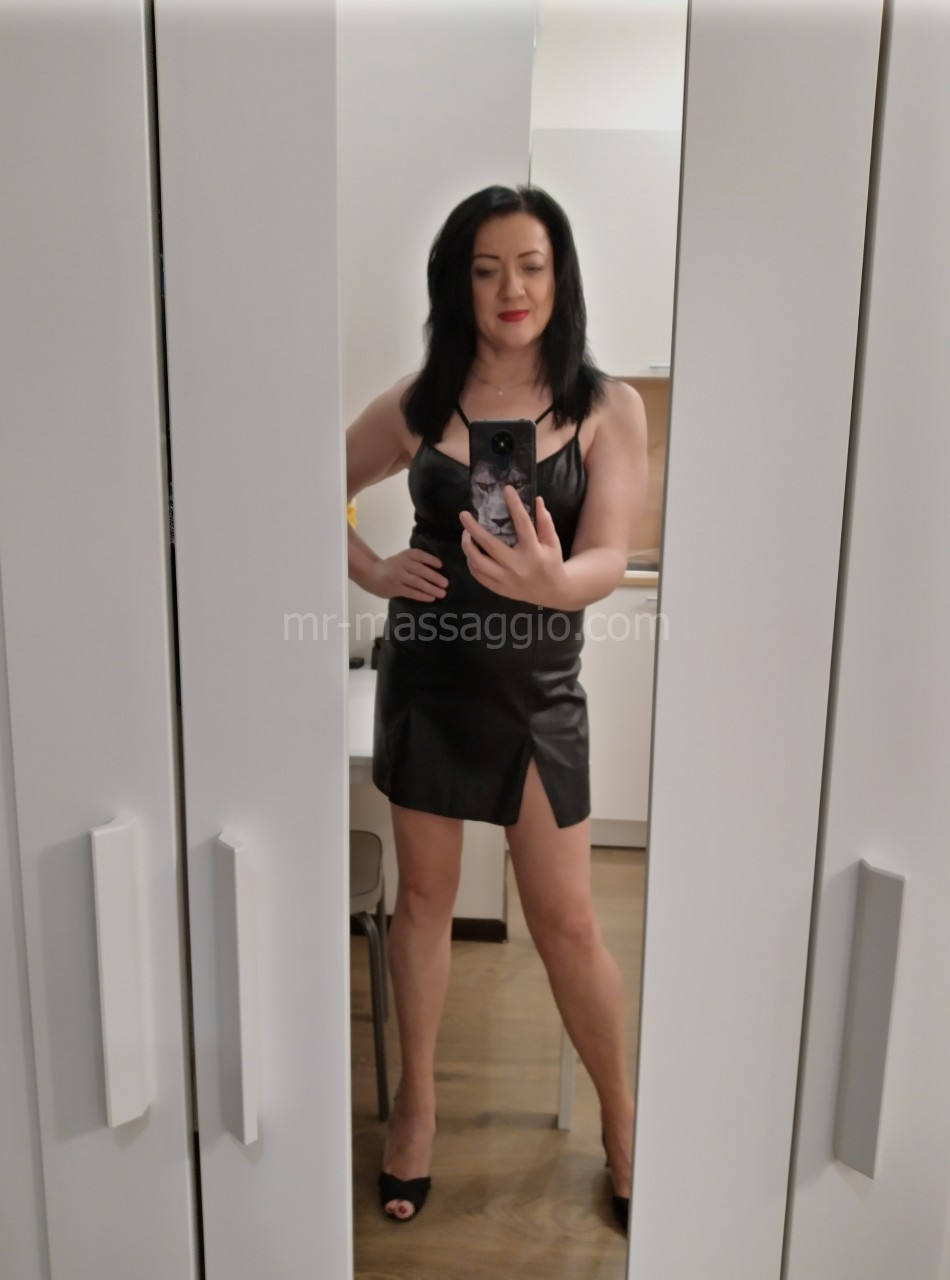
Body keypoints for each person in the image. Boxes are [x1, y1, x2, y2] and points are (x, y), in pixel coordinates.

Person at [345, 184, 648, 1231]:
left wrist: (556, 583)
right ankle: (416, 1107)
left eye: (529, 264)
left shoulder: (606, 405)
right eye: (485, 269)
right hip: (428, 680)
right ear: (456, 284)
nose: (510, 288)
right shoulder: (421, 400)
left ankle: (623, 1124)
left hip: (538, 696)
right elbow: (304, 478)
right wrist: (371, 569)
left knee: (567, 921)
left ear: (558, 277)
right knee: (425, 902)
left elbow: (608, 553)